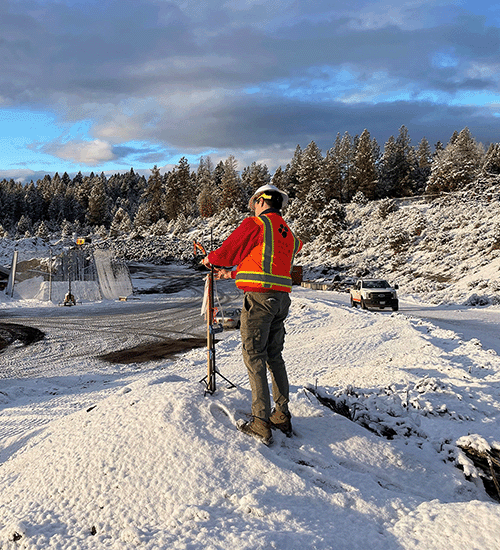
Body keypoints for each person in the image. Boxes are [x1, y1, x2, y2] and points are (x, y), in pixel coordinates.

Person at [202, 184, 302, 444]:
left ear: (261, 201)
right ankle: (281, 414)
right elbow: (266, 263)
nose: (252, 208)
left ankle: (260, 422)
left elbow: (227, 251)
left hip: (258, 301)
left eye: (254, 203)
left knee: (254, 356)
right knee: (274, 356)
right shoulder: (288, 234)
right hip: (280, 300)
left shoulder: (256, 225)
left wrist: (211, 261)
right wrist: (231, 274)